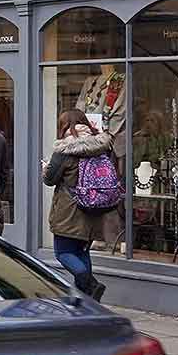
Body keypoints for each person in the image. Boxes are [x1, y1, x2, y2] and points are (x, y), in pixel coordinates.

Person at [42, 109, 115, 300]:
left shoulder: (65, 149)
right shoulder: (102, 145)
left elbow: (50, 179)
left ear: (65, 126)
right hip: (95, 207)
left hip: (69, 211)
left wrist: (45, 168)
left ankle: (90, 283)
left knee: (64, 252)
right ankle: (88, 300)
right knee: (82, 251)